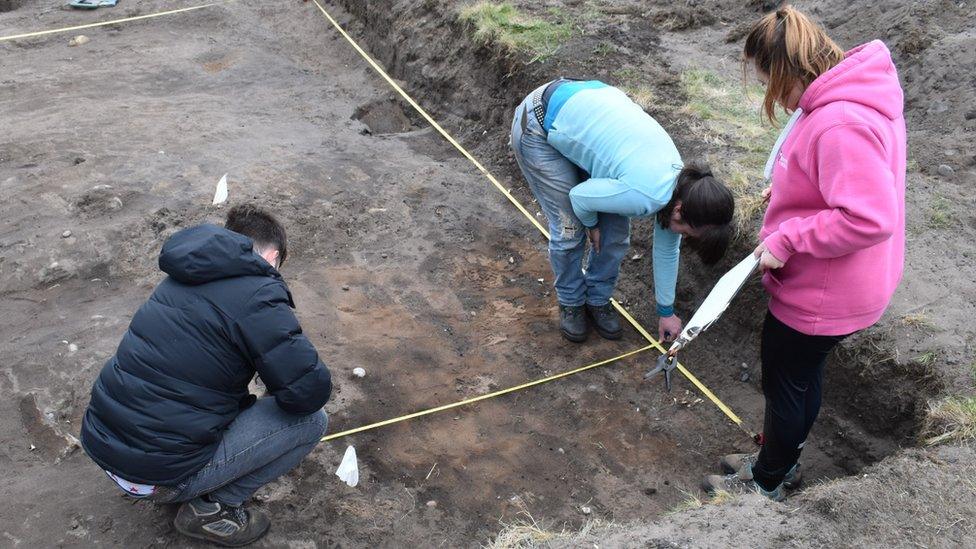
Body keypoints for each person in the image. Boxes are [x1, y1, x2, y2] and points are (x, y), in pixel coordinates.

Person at [703, 6, 906, 501]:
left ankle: (768, 480)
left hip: (825, 292)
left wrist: (789, 238)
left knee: (787, 379)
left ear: (785, 71)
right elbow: (841, 184)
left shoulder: (839, 121)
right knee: (798, 375)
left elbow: (869, 216)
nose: (771, 94)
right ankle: (780, 458)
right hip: (847, 280)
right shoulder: (856, 93)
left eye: (766, 79)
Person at [80, 205, 334, 546]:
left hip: (104, 445)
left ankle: (181, 481)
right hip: (157, 476)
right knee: (311, 422)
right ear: (272, 256)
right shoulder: (257, 293)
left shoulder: (183, 275)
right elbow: (308, 393)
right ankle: (213, 509)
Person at [510, 79, 735, 344]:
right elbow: (579, 197)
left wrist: (666, 312)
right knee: (571, 228)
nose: (684, 237)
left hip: (583, 115)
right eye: (689, 233)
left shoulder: (684, 190)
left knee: (614, 235)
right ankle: (571, 301)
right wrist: (591, 224)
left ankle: (596, 299)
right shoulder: (646, 194)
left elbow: (666, 251)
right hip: (540, 123)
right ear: (679, 211)